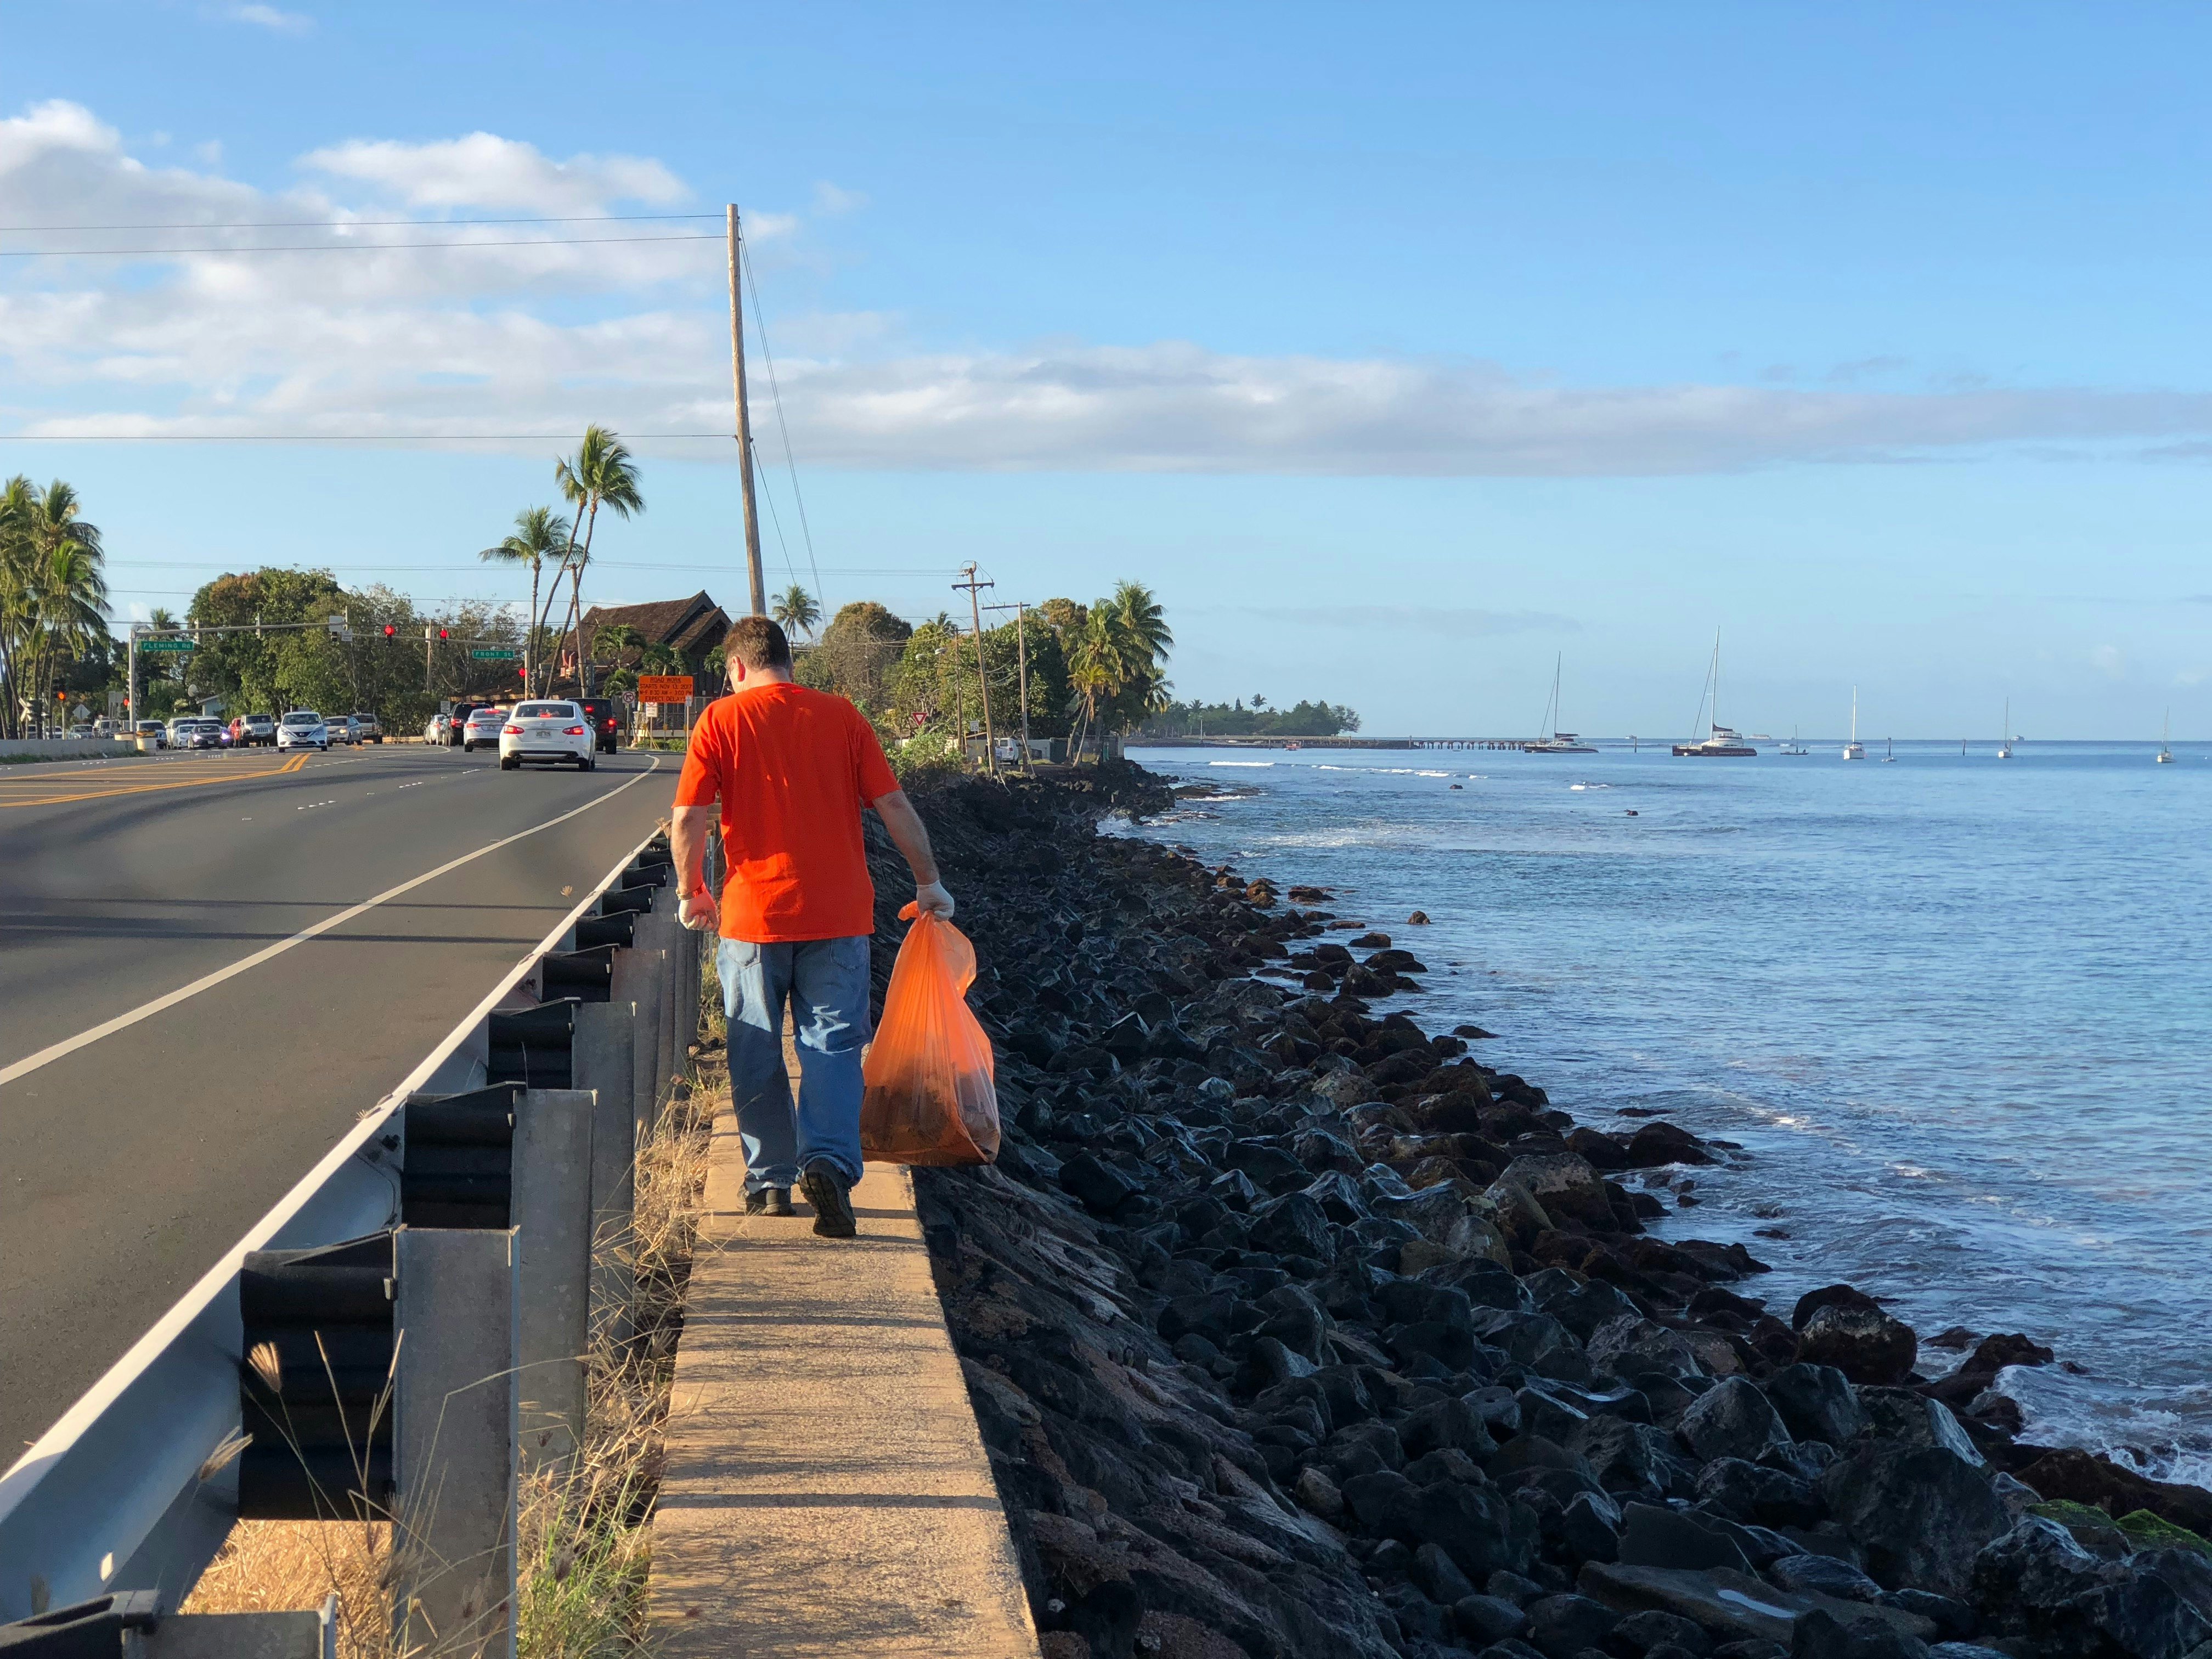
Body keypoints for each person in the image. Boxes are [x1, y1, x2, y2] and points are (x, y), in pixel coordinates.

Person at [669, 616, 951, 1237]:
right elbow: (894, 806)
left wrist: (693, 892)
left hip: (752, 918)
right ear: (789, 662)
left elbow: (689, 817)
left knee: (754, 1050)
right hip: (839, 916)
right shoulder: (843, 717)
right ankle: (826, 1161)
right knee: (833, 1048)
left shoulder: (720, 720)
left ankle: (769, 1183)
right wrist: (928, 882)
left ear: (737, 668)